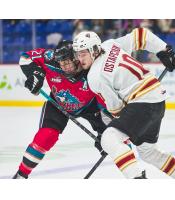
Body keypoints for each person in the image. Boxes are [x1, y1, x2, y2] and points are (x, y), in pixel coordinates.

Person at [73, 28, 175, 179]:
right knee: (148, 151)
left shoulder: (94, 77)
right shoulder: (109, 45)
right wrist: (163, 50)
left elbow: (116, 109)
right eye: (78, 54)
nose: (79, 58)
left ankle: (137, 180)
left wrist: (116, 143)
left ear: (94, 50)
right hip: (157, 99)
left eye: (83, 53)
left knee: (109, 138)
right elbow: (141, 35)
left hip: (142, 103)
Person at [13, 40, 112, 179]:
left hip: (91, 106)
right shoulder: (50, 58)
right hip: (57, 104)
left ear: (77, 58)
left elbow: (107, 99)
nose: (64, 66)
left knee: (113, 139)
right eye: (61, 63)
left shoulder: (92, 69)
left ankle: (135, 175)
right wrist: (35, 74)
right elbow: (25, 57)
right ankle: (21, 175)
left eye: (67, 62)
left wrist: (108, 131)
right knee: (46, 136)